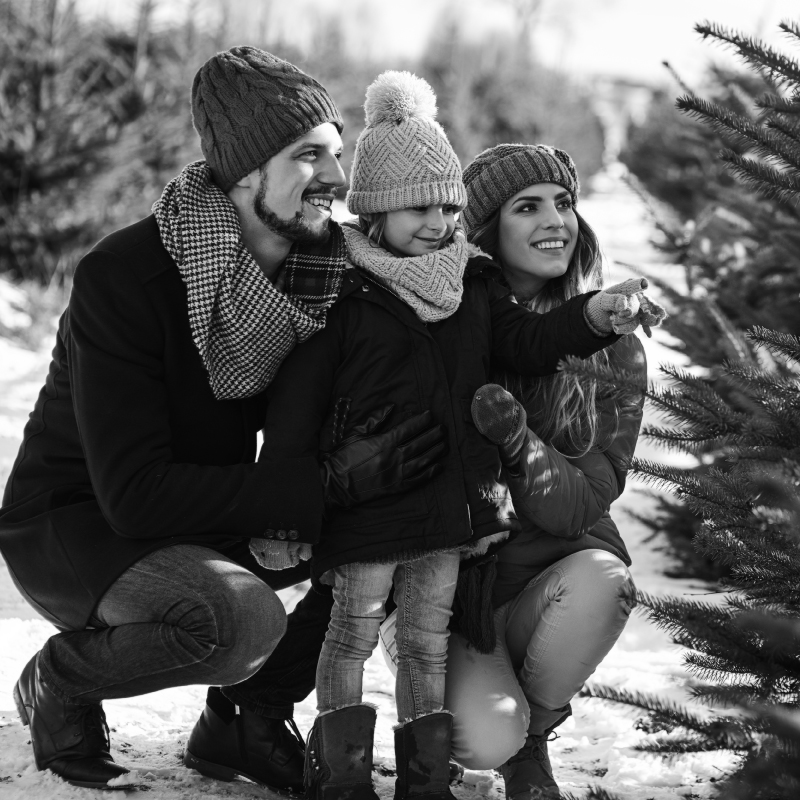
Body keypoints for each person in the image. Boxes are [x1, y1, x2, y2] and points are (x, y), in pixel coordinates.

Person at [0, 48, 447, 792]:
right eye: (309, 156)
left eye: (336, 153)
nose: (336, 180)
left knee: (393, 528)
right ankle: (63, 680)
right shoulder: (128, 275)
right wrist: (328, 484)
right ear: (244, 172)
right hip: (82, 526)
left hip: (212, 506)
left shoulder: (322, 270)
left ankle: (246, 721)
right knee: (237, 621)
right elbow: (135, 494)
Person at [253, 74, 657, 800]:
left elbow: (537, 343)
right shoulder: (354, 292)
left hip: (456, 525)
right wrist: (292, 508)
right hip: (382, 518)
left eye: (448, 206)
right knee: (351, 627)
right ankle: (338, 772)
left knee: (429, 647)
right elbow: (298, 407)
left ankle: (444, 770)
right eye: (420, 206)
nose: (438, 222)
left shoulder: (472, 291)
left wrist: (595, 318)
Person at [438, 143, 656, 800]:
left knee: (606, 581)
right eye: (527, 207)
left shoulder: (614, 350)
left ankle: (532, 742)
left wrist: (516, 438)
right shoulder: (447, 330)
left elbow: (577, 506)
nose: (554, 220)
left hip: (555, 581)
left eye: (563, 203)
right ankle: (488, 721)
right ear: (486, 232)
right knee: (483, 737)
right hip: (457, 596)